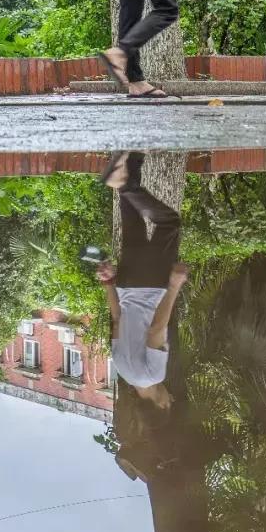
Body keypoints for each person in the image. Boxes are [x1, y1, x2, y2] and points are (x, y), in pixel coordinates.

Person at [96, 151, 188, 410]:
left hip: (152, 286)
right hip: (126, 285)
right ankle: (130, 160)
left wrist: (173, 287)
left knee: (169, 223)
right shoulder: (123, 369)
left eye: (170, 402)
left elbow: (156, 330)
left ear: (162, 406)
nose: (171, 397)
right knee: (133, 223)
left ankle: (123, 182)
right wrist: (109, 282)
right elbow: (116, 318)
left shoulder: (154, 376)